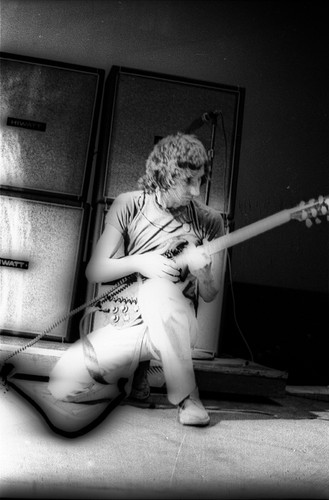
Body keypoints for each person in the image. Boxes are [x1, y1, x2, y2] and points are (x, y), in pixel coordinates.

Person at [48, 132, 224, 427]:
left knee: (157, 291)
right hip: (129, 324)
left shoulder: (209, 220)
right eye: (188, 181)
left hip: (177, 324)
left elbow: (209, 294)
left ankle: (188, 398)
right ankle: (135, 374)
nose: (196, 191)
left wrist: (203, 273)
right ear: (165, 176)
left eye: (200, 180)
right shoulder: (128, 205)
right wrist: (143, 261)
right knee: (61, 384)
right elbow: (96, 270)